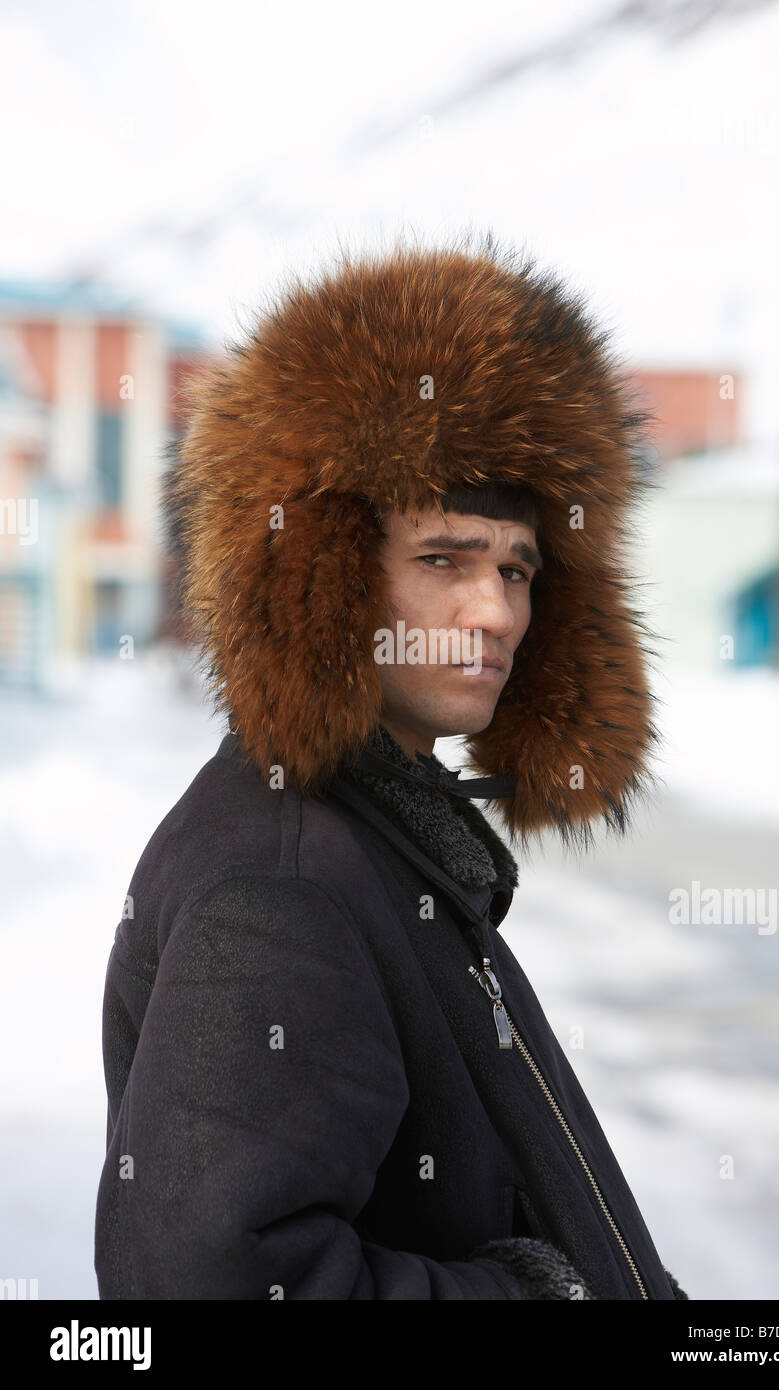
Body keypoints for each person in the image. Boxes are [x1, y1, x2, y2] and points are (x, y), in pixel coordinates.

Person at [94, 231, 689, 1300]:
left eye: (516, 567)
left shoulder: (387, 838)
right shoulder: (280, 881)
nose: (495, 610)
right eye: (443, 559)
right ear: (320, 572)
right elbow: (209, 1280)